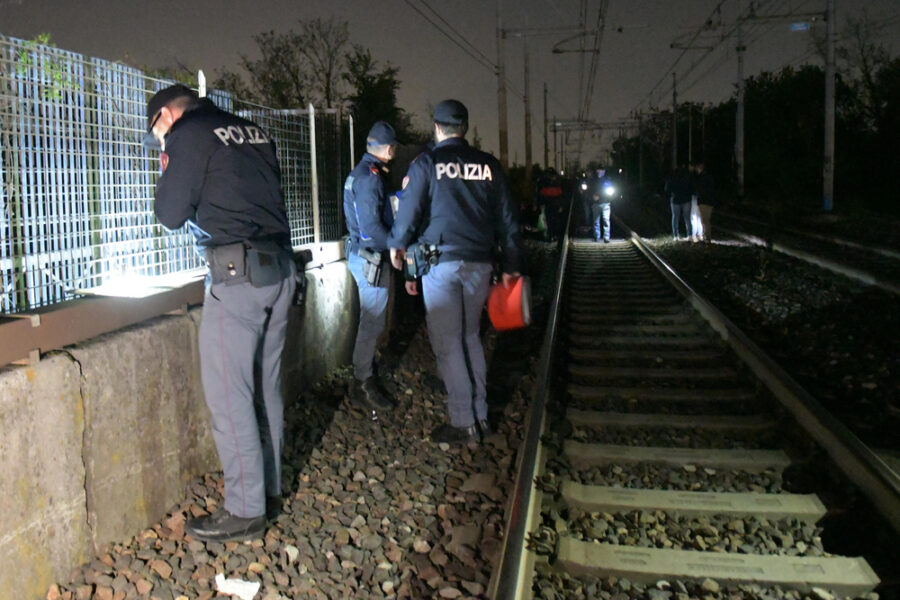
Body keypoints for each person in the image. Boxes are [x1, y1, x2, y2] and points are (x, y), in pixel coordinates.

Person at [144, 84, 296, 542]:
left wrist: (171, 162)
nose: (159, 141)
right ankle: (268, 490)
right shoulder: (250, 130)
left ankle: (245, 510)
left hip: (237, 279)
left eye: (157, 133)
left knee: (230, 398)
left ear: (168, 115)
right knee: (265, 390)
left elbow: (169, 213)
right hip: (281, 272)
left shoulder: (188, 134)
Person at [388, 99, 522, 444]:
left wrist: (398, 247)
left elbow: (409, 213)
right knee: (470, 338)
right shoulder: (489, 165)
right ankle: (480, 415)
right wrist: (512, 266)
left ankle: (464, 422)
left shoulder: (426, 164)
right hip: (480, 264)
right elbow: (508, 220)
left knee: (448, 343)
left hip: (441, 265)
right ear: (464, 128)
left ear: (437, 127)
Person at [343, 121, 397, 413]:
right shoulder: (371, 178)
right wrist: (397, 245)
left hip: (362, 255)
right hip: (371, 259)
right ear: (389, 149)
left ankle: (364, 371)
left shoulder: (359, 173)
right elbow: (370, 229)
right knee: (372, 320)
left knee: (371, 320)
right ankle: (362, 381)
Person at [665, 165, 693, 240]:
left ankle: (676, 236)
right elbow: (691, 187)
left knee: (675, 217)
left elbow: (667, 189)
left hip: (675, 199)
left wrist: (672, 193)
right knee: (687, 218)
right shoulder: (687, 177)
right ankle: (690, 235)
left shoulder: (671, 177)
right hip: (686, 199)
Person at [589, 166, 614, 243]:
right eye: (598, 171)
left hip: (605, 203)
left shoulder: (607, 181)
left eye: (601, 171)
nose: (599, 172)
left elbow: (611, 191)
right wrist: (592, 197)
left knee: (606, 220)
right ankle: (597, 236)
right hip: (596, 204)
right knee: (596, 221)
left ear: (604, 172)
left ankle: (606, 237)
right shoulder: (593, 181)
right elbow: (589, 191)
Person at [694, 162, 716, 243]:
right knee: (707, 220)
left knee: (704, 220)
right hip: (710, 201)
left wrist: (698, 195)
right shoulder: (710, 177)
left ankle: (706, 237)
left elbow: (699, 189)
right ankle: (707, 236)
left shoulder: (700, 178)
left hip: (703, 201)